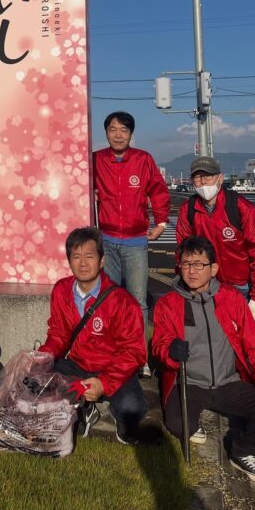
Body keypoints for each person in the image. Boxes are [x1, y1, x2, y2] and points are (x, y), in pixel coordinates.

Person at [152, 235, 255, 483]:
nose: (192, 270)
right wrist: (170, 351)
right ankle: (194, 420)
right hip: (190, 383)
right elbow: (159, 345)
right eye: (187, 264)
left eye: (199, 264)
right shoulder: (168, 303)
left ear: (214, 269)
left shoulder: (231, 298)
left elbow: (254, 345)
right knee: (179, 427)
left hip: (228, 382)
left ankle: (241, 451)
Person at [38, 227, 148, 444]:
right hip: (77, 364)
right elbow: (59, 333)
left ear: (102, 260)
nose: (83, 263)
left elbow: (134, 352)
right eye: (76, 257)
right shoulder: (61, 289)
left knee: (132, 408)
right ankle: (84, 409)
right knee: (40, 380)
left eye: (90, 256)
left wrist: (103, 383)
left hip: (112, 367)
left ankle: (120, 421)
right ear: (69, 261)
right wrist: (43, 356)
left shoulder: (123, 301)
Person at [93, 110, 169, 374]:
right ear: (106, 133)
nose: (117, 134)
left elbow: (158, 190)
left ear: (131, 134)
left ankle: (140, 358)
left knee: (137, 300)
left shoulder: (143, 159)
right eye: (112, 129)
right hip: (106, 239)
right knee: (110, 298)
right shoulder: (96, 159)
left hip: (136, 240)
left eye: (123, 130)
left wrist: (161, 223)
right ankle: (112, 352)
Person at [176, 157, 255, 347]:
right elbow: (183, 254)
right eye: (198, 177)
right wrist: (187, 288)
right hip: (209, 289)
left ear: (220, 178)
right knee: (221, 345)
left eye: (208, 176)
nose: (203, 182)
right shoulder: (188, 210)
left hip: (244, 287)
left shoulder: (240, 207)